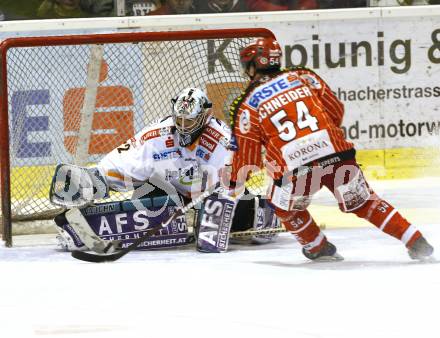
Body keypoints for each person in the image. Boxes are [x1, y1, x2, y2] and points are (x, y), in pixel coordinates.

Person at [229, 37, 434, 261]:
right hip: (336, 154)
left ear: (252, 65)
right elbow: (335, 110)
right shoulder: (303, 76)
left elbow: (247, 158)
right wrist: (321, 141)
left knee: (281, 204)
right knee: (366, 203)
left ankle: (316, 246)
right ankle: (414, 240)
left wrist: (232, 184)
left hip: (296, 169)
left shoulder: (247, 104)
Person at [51, 87, 278, 253]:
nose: (182, 126)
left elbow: (234, 182)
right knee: (145, 202)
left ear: (204, 116)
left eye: (189, 121)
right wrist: (96, 179)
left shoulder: (222, 140)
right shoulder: (157, 135)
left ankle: (265, 214)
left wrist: (215, 207)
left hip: (211, 194)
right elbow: (123, 163)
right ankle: (89, 228)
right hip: (171, 192)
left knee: (239, 220)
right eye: (179, 119)